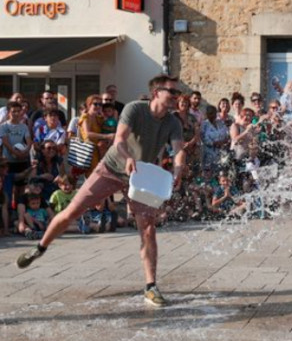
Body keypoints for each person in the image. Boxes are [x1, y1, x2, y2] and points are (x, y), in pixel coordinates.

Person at [16, 74, 186, 309]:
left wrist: (178, 170)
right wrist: (127, 158)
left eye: (178, 93)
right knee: (72, 211)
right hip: (111, 168)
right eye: (173, 92)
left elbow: (179, 150)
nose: (177, 97)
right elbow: (119, 139)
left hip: (140, 176)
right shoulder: (135, 109)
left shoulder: (173, 122)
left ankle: (151, 287)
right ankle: (40, 247)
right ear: (157, 92)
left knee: (148, 228)